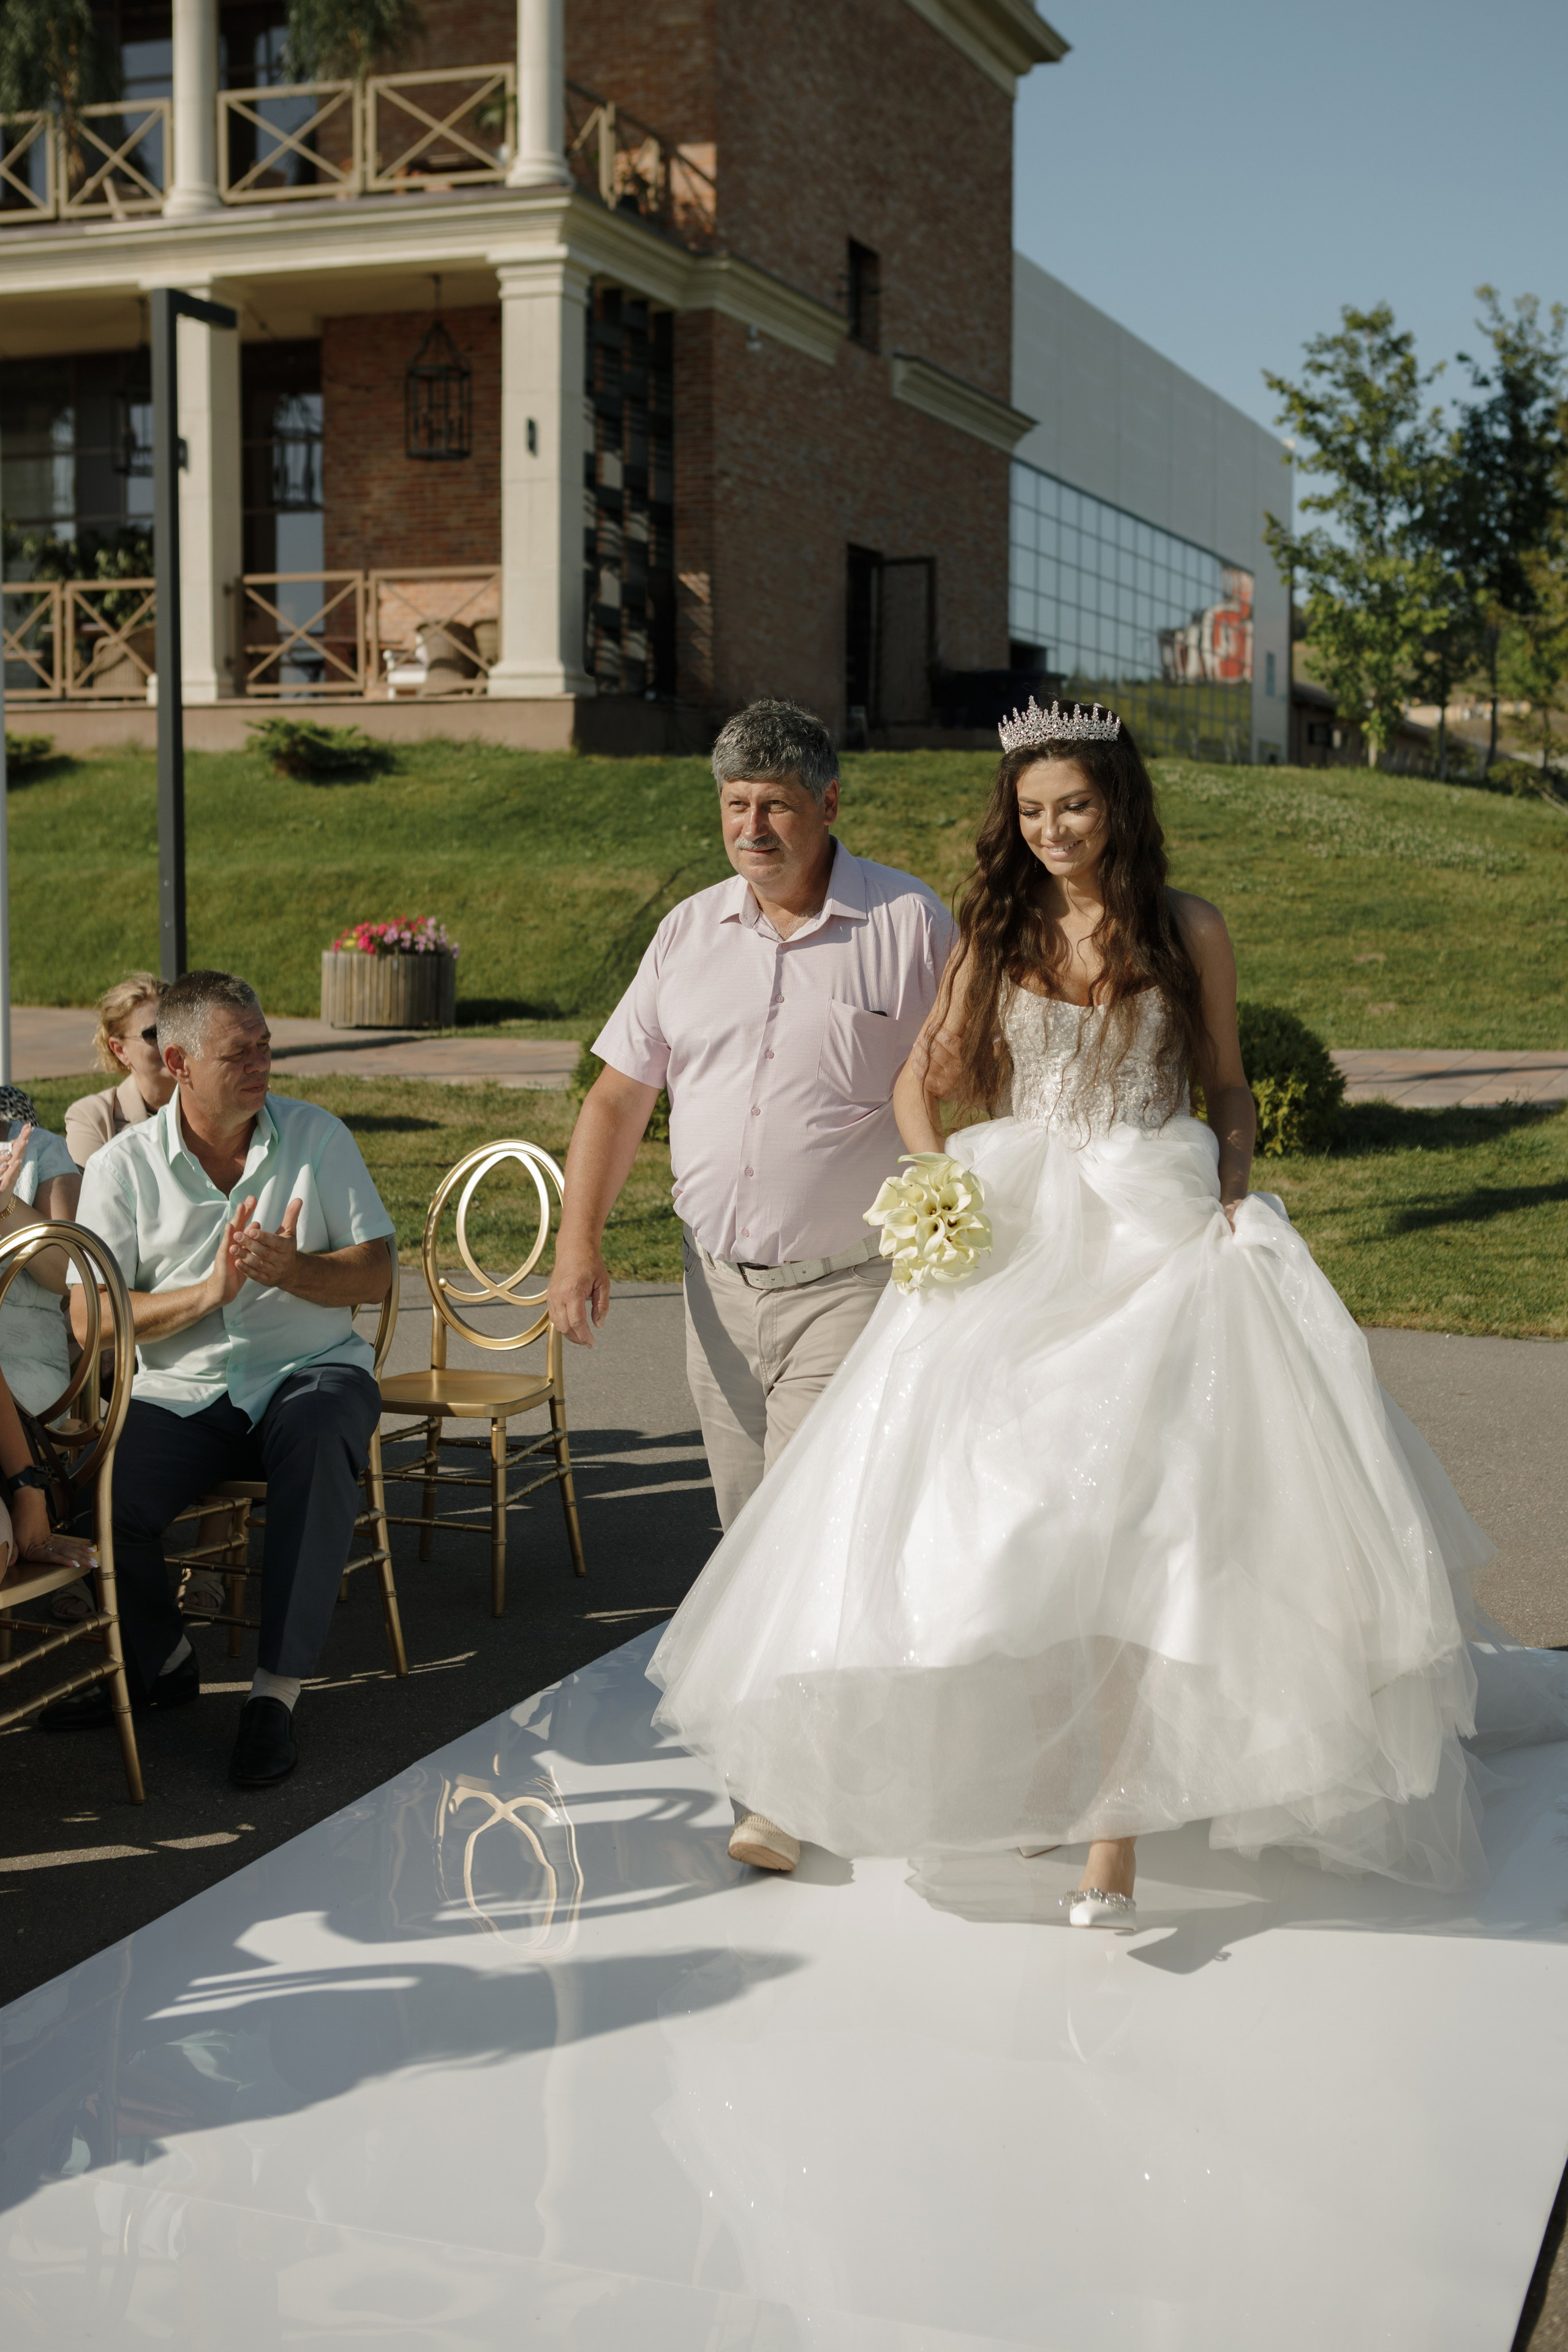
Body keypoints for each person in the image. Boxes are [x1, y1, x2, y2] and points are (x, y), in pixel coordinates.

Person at [647, 700, 1568, 1909]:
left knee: (1153, 1522)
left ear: (1117, 805)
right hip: (1019, 1220)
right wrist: (935, 1181)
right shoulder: (995, 926)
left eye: (1071, 806)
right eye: (1029, 813)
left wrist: (1233, 1193)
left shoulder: (1190, 931)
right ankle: (1031, 1769)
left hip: (1153, 1216)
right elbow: (918, 1086)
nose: (1050, 832)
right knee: (1006, 1517)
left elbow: (1228, 1089)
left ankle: (1115, 1826)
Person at [548, 698, 956, 1553]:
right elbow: (618, 1099)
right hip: (716, 1293)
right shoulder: (685, 931)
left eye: (776, 804)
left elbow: (968, 1087)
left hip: (849, 1288)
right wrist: (577, 1243)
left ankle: (810, 1687)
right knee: (741, 1528)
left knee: (807, 1531)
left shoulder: (910, 923)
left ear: (830, 805)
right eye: (737, 803)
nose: (753, 826)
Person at [39, 969, 396, 1789]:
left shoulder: (316, 1135)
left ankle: (274, 1696)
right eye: (241, 1052)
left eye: (266, 1045)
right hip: (184, 1389)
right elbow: (89, 1320)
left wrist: (296, 1269)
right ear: (178, 1063)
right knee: (103, 1496)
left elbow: (374, 1271)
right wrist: (208, 1294)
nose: (263, 1063)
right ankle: (162, 1658)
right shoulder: (124, 1167)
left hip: (308, 1373)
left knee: (322, 1430)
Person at [66, 973, 171, 1167]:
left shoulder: (214, 1101)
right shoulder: (94, 1118)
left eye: (174, 1028)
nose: (170, 1041)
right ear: (120, 1050)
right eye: (154, 1033)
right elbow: (88, 1196)